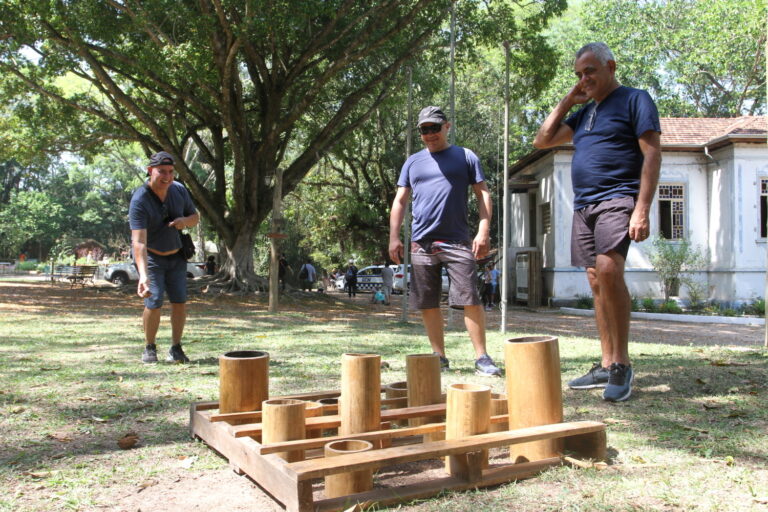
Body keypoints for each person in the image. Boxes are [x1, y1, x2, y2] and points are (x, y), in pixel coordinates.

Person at [533, 42, 661, 402]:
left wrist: (642, 208)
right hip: (584, 206)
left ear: (611, 66)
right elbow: (542, 139)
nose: (584, 79)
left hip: (618, 199)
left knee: (608, 269)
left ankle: (621, 364)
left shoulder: (636, 99)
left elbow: (652, 154)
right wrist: (567, 101)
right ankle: (606, 363)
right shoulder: (584, 112)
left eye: (589, 71)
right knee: (594, 278)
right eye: (578, 74)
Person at [389, 106, 502, 377]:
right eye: (424, 130)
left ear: (447, 127)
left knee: (470, 297)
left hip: (458, 240)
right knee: (428, 301)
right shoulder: (412, 162)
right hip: (421, 242)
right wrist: (394, 236)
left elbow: (483, 194)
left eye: (434, 128)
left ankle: (482, 357)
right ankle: (438, 356)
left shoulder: (465, 156)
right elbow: (400, 201)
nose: (429, 134)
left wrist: (483, 229)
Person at [129, 151, 200, 364]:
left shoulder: (179, 190)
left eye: (170, 172)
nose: (167, 176)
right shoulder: (140, 200)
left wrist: (184, 222)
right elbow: (139, 242)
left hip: (177, 256)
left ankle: (176, 348)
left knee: (180, 302)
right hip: (152, 258)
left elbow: (195, 217)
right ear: (150, 171)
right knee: (154, 302)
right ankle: (150, 347)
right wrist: (143, 276)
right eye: (162, 172)